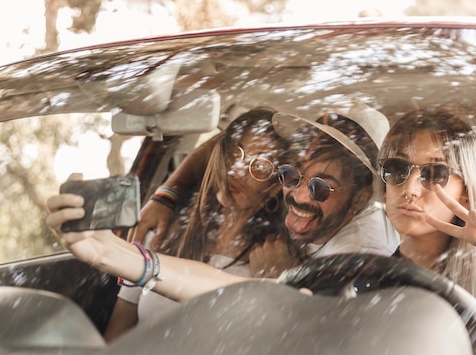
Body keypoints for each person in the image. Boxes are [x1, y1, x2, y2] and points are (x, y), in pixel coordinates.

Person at [46, 106, 399, 336]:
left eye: (322, 187)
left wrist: (280, 283)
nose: (301, 194)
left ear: (361, 199)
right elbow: (117, 335)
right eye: (293, 175)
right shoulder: (166, 229)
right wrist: (165, 195)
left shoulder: (356, 248)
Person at [104, 106, 290, 341]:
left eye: (260, 167)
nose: (236, 170)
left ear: (275, 187)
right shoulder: (162, 234)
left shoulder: (271, 263)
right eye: (235, 153)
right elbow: (115, 336)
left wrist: (275, 285)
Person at [375, 107, 476, 350]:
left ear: (467, 194)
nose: (409, 190)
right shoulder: (363, 286)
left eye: (435, 174)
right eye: (396, 168)